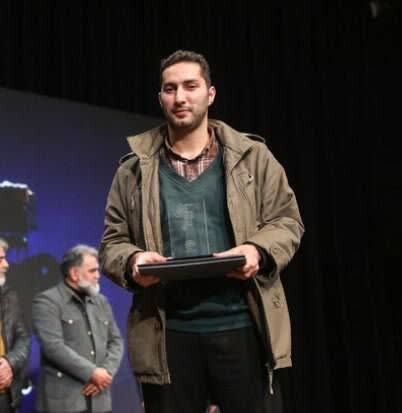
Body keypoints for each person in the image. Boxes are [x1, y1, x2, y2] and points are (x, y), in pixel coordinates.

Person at [99, 49, 304, 413]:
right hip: (168, 334)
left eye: (190, 86)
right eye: (170, 88)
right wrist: (133, 260)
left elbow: (287, 221)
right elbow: (112, 243)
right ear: (160, 98)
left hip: (242, 326)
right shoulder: (132, 171)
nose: (180, 97)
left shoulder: (253, 156)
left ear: (210, 94)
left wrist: (257, 250)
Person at [32, 244, 123, 413]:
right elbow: (53, 347)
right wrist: (92, 373)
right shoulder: (47, 301)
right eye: (92, 271)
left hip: (100, 400)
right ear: (74, 273)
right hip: (64, 404)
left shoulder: (101, 302)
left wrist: (105, 373)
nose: (98, 275)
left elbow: (116, 341)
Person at [0, 237, 31, 413]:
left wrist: (9, 362)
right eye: (0, 260)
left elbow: (23, 338)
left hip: (7, 399)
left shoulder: (11, 296)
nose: (6, 265)